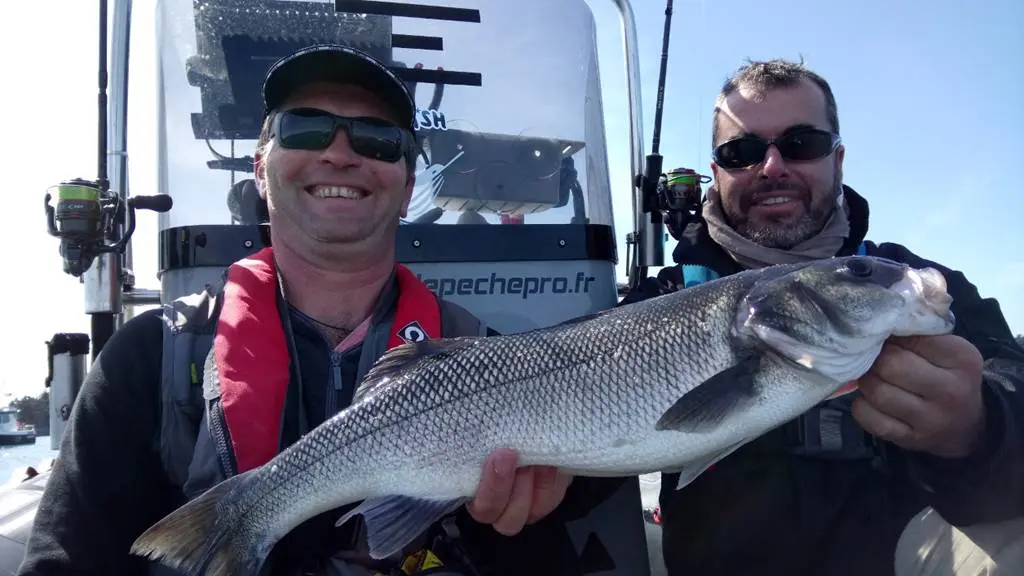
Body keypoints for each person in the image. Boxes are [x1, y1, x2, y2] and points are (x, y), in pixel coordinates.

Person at [18, 44, 625, 576]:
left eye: (378, 139)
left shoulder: (494, 362)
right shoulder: (149, 359)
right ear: (261, 168)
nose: (341, 153)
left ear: (408, 184)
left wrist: (512, 528)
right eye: (306, 129)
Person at [621, 58, 1024, 576]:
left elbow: (1013, 377)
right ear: (717, 173)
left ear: (838, 159)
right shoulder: (649, 308)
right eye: (742, 152)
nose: (771, 168)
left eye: (801, 144)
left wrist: (982, 425)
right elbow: (575, 453)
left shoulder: (906, 283)